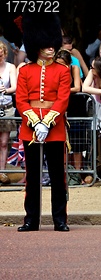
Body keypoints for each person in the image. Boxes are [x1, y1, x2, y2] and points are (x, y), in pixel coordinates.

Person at [16, 12, 71, 232]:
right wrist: (35, 122)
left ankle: (60, 219)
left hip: (55, 128)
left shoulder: (63, 70)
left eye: (52, 45)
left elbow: (62, 99)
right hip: (30, 129)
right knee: (33, 178)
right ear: (36, 45)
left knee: (58, 176)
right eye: (46, 45)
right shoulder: (25, 71)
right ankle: (31, 220)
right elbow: (21, 101)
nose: (51, 48)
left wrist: (46, 122)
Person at [53, 49, 91, 184]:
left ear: (69, 63)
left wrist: (62, 91)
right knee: (60, 142)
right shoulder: (54, 70)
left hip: (75, 106)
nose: (61, 67)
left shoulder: (74, 68)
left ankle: (78, 173)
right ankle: (62, 174)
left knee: (77, 142)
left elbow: (77, 87)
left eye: (63, 64)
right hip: (60, 106)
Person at [0, 41, 18, 184]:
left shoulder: (11, 67)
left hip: (7, 108)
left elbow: (15, 86)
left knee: (4, 142)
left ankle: (3, 171)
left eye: (2, 54)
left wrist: (6, 90)